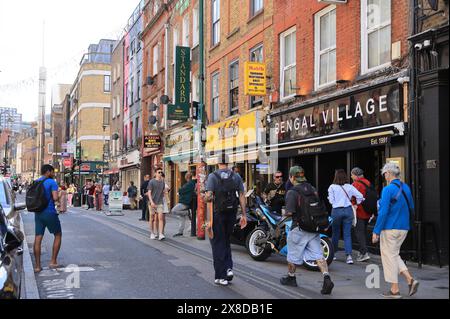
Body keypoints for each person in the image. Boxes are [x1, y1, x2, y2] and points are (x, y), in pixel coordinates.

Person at [280, 166, 334, 295]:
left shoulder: (292, 192)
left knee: (292, 255)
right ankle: (326, 277)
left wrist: (283, 214)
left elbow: (289, 212)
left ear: (292, 177)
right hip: (314, 228)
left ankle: (291, 277)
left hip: (299, 228)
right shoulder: (312, 189)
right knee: (318, 255)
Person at [373, 163, 419, 298]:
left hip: (390, 228)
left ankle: (395, 290)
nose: (384, 176)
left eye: (384, 174)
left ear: (388, 173)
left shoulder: (387, 190)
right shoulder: (406, 188)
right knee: (393, 255)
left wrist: (376, 230)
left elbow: (383, 212)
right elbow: (411, 207)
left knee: (388, 257)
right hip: (403, 227)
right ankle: (410, 280)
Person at [203, 154, 247, 286]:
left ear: (217, 163)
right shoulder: (236, 176)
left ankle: (220, 276)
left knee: (217, 243)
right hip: (231, 213)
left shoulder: (212, 177)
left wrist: (204, 196)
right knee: (226, 241)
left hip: (218, 214)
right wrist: (244, 214)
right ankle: (228, 269)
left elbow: (209, 197)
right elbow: (242, 195)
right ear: (228, 163)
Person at [328, 169, 364, 265]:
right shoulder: (349, 186)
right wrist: (356, 204)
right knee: (347, 234)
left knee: (335, 233)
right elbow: (360, 196)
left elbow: (331, 201)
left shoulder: (332, 187)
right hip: (348, 210)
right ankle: (349, 257)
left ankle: (333, 253)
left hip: (336, 210)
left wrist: (335, 201)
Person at [33, 165, 62, 273]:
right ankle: (53, 261)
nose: (54, 173)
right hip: (49, 212)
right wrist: (59, 194)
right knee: (58, 234)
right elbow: (55, 198)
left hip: (38, 213)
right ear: (48, 172)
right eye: (52, 171)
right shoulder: (52, 182)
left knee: (38, 238)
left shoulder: (36, 182)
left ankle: (37, 266)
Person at [350, 167, 372, 262]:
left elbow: (352, 198)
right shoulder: (368, 182)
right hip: (368, 211)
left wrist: (353, 205)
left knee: (359, 233)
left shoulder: (355, 184)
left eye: (352, 175)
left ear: (355, 175)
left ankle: (364, 253)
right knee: (363, 232)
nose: (351, 177)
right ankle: (361, 251)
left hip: (359, 211)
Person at [172, 172, 196, 237]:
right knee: (181, 217)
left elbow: (181, 190)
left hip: (185, 202)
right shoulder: (191, 183)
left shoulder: (190, 184)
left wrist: (180, 191)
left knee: (174, 210)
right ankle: (180, 231)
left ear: (187, 177)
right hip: (186, 201)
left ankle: (188, 212)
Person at [147, 168, 167, 240]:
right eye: (159, 172)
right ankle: (152, 233)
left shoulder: (163, 182)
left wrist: (165, 194)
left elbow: (163, 192)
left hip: (160, 202)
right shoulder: (151, 182)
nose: (160, 173)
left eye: (161, 172)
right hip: (152, 203)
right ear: (155, 173)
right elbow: (149, 193)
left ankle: (161, 234)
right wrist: (151, 202)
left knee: (161, 218)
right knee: (152, 218)